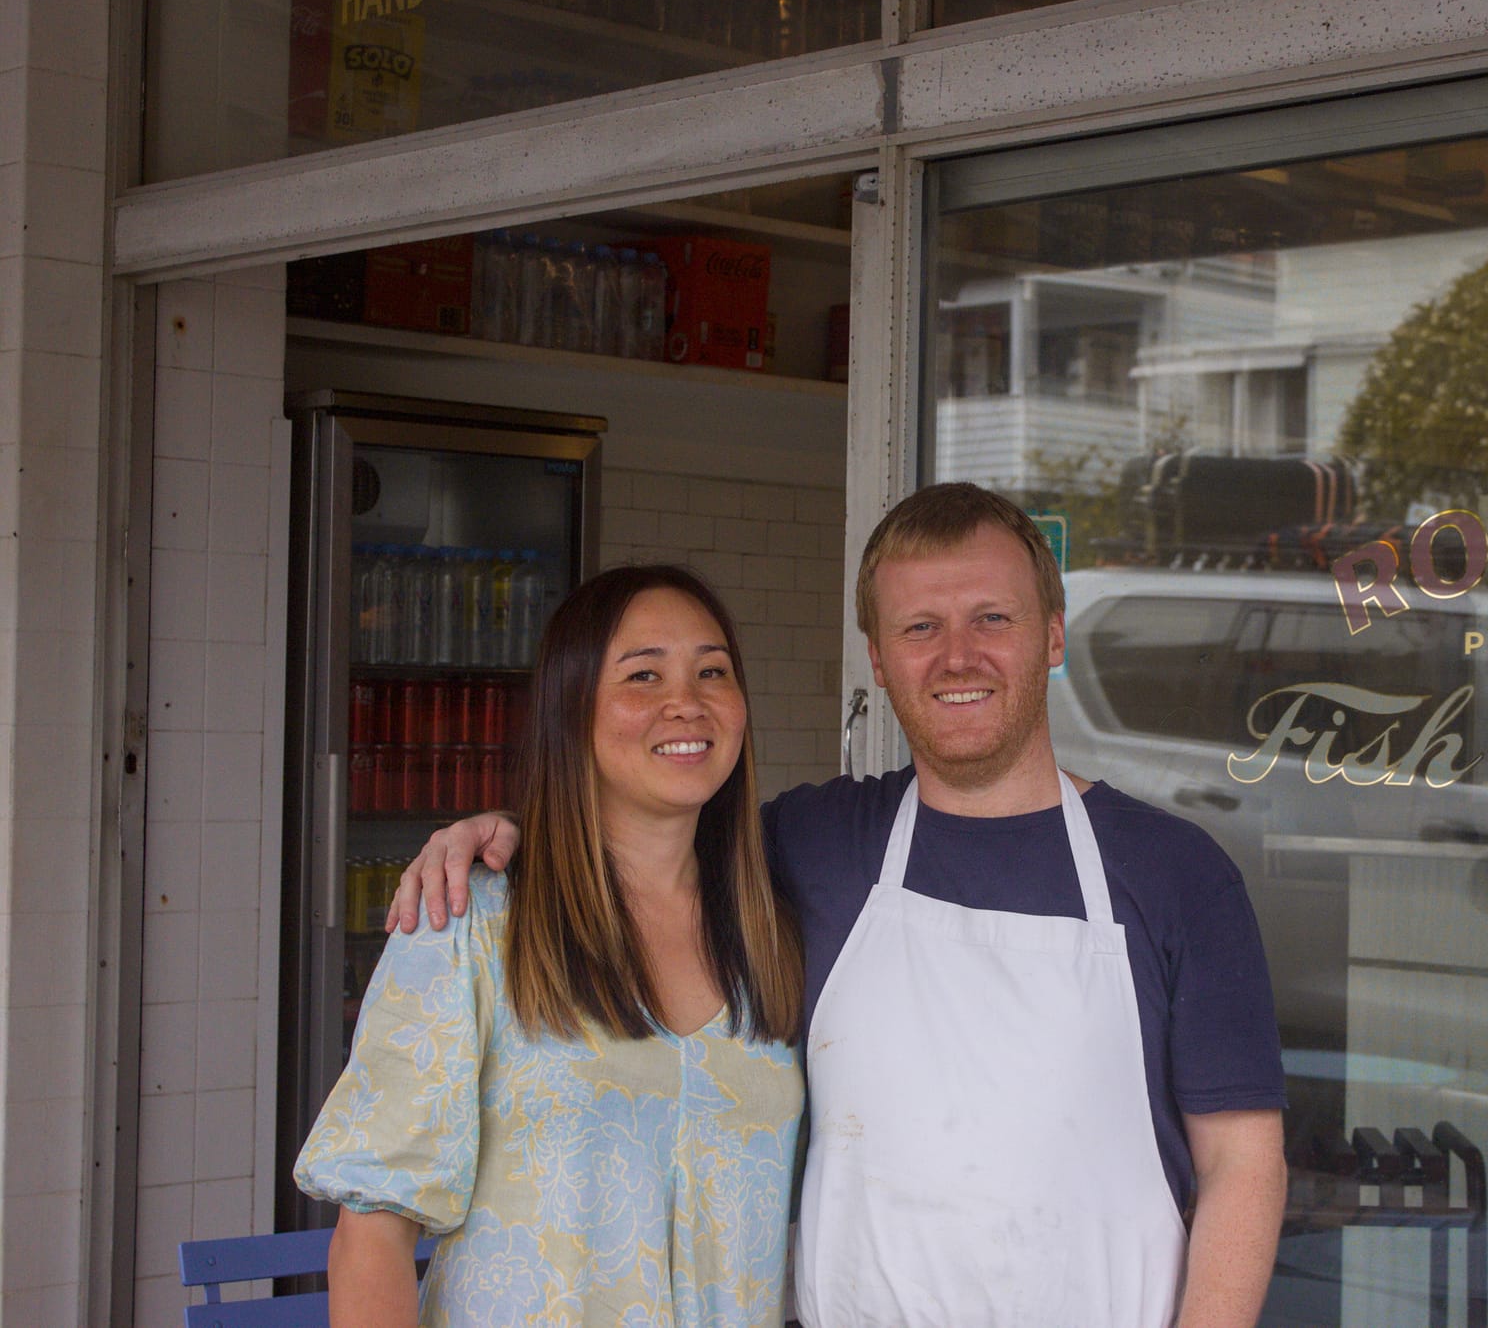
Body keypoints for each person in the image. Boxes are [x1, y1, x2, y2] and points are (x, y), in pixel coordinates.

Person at [393, 484, 1290, 1328]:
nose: (957, 655)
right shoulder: (811, 845)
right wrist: (505, 834)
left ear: (1052, 635)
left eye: (993, 618)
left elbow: (1242, 1165)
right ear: (879, 657)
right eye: (920, 626)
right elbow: (643, 834)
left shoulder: (1176, 875)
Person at [296, 565, 804, 1328]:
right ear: (573, 709)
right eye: (643, 674)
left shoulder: (775, 928)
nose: (686, 701)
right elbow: (371, 1239)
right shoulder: (470, 918)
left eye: (712, 670)